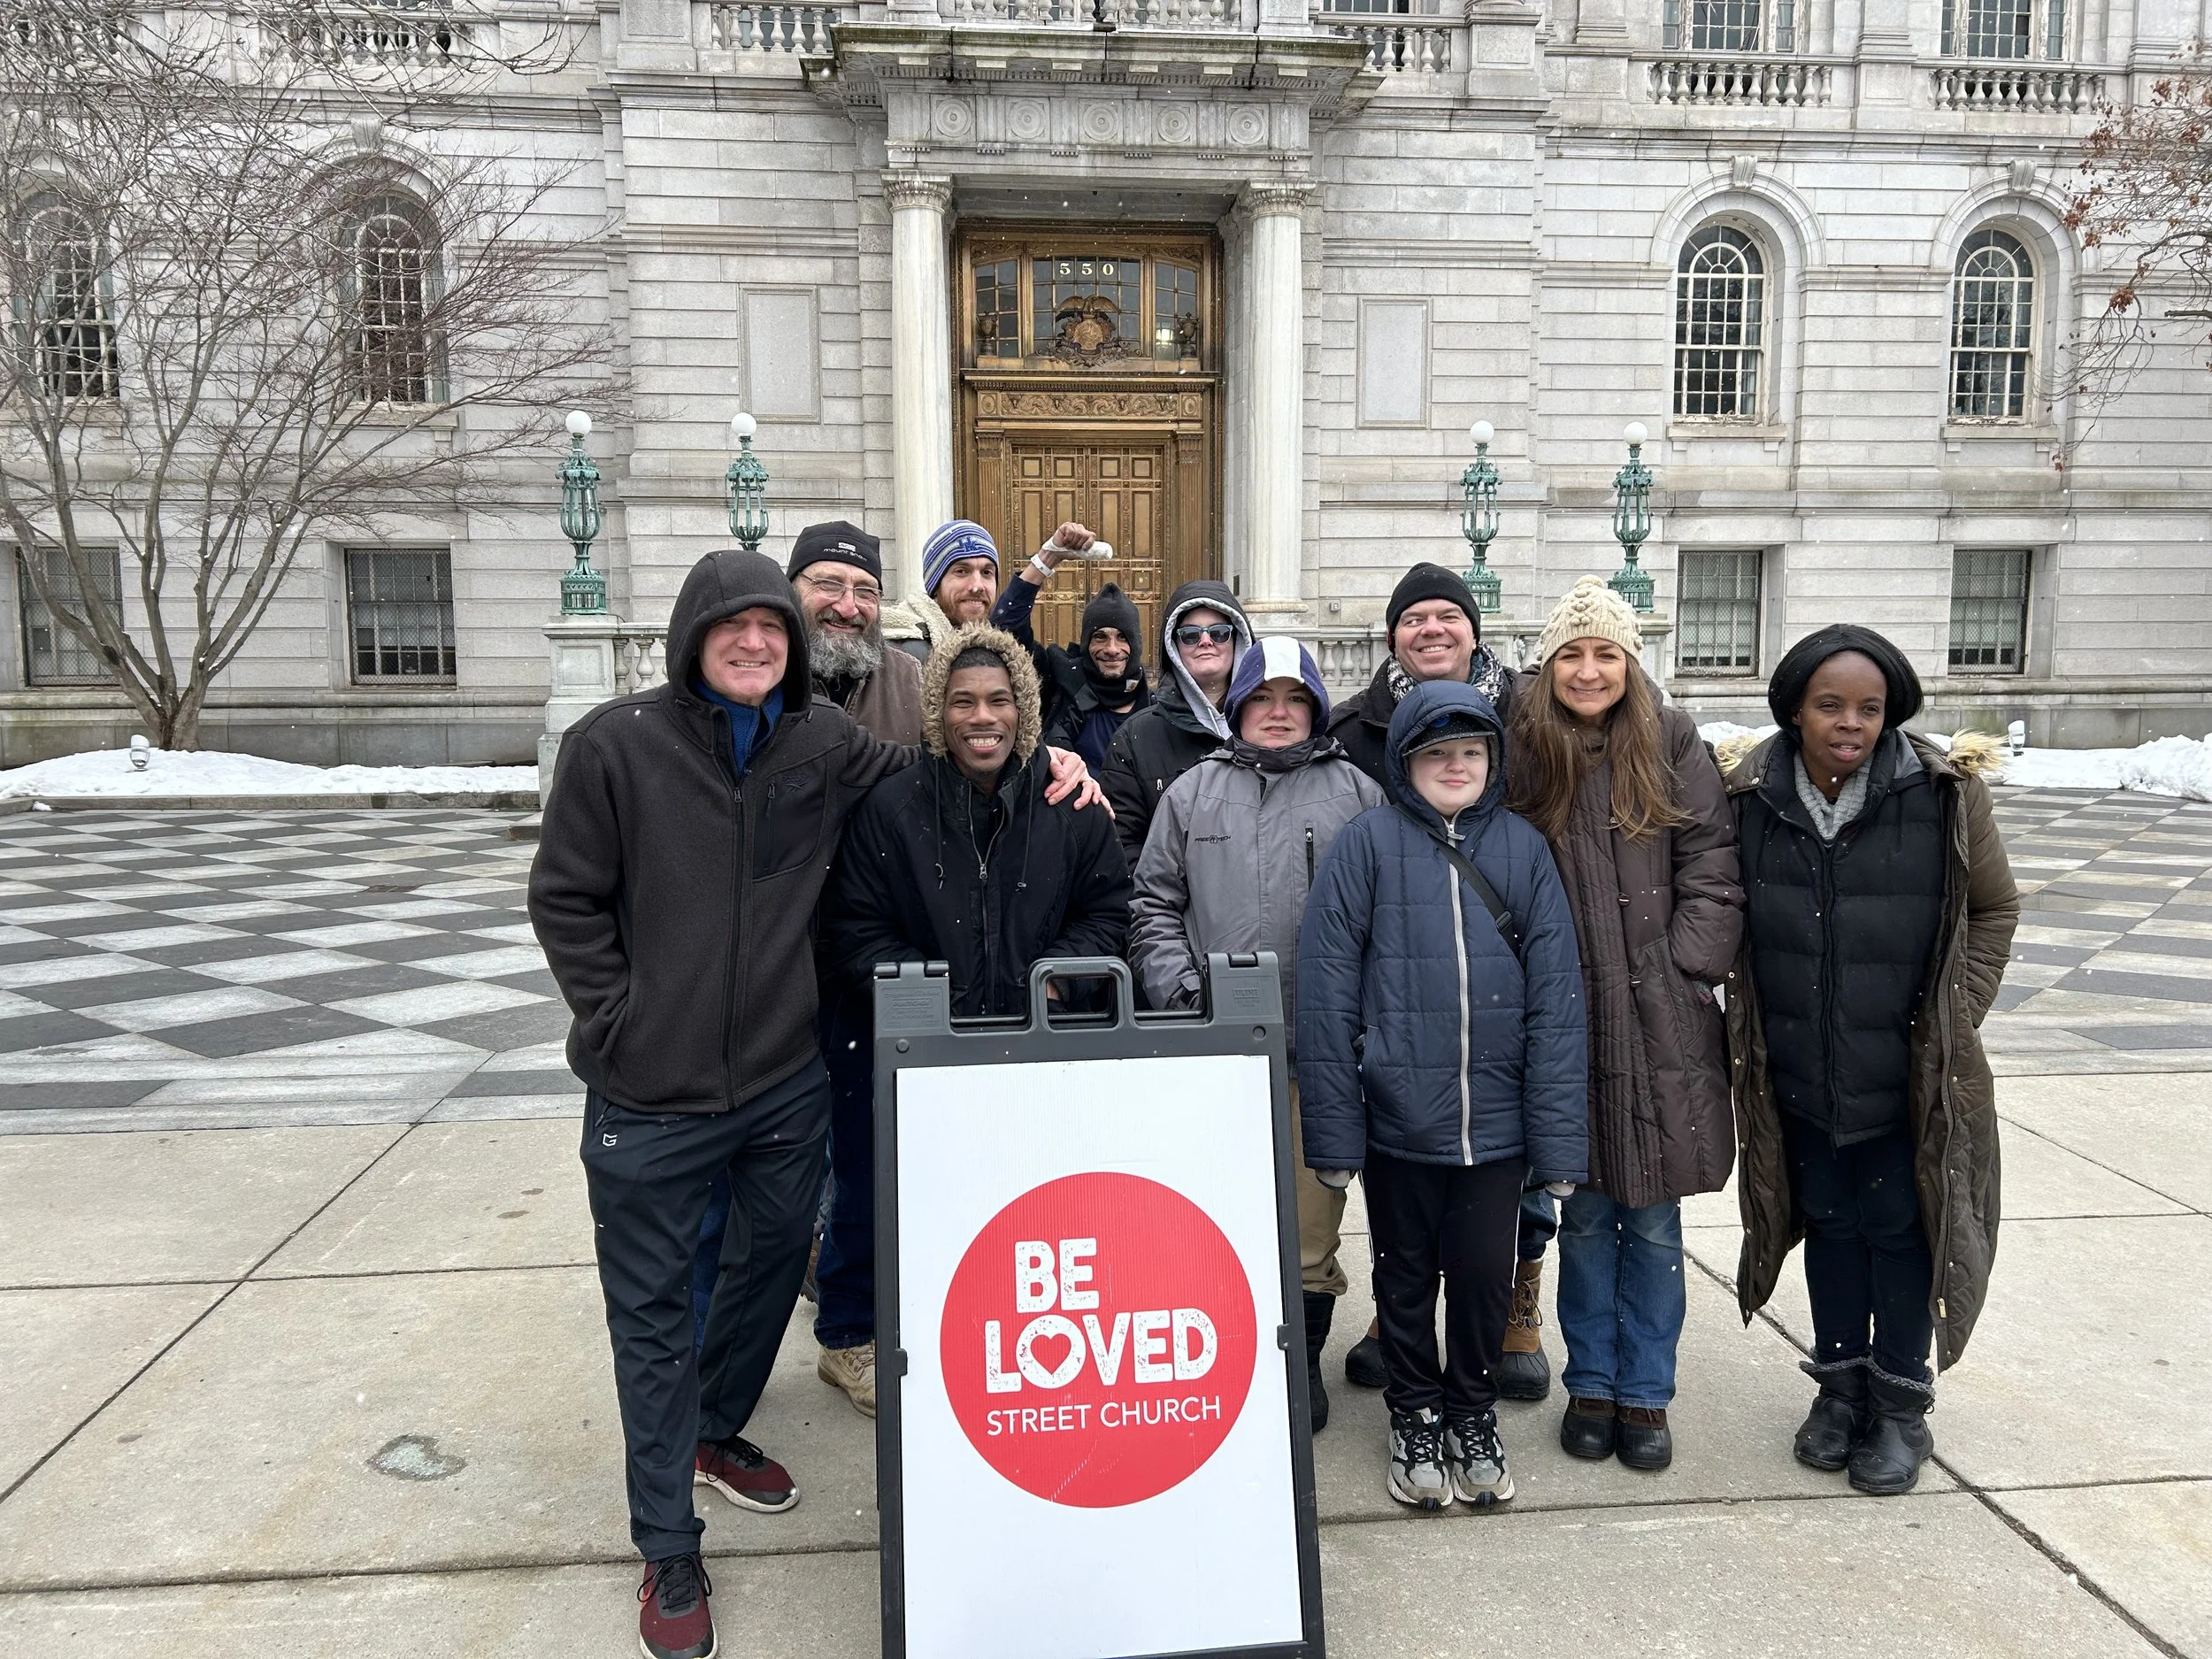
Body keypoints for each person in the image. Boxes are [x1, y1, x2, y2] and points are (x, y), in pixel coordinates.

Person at [531, 550, 1101, 1659]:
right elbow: (564, 899)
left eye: (771, 634)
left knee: (766, 1268)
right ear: (695, 636)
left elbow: (948, 749)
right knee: (651, 1318)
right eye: (735, 629)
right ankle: (667, 1544)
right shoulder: (618, 746)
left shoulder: (822, 743)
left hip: (783, 1085)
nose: (755, 646)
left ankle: (713, 1429)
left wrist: (1049, 757)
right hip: (650, 1092)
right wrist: (616, 1024)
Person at [1723, 625, 2017, 1496]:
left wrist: (1953, 1019)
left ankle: (1899, 1405)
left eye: (1867, 708)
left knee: (1898, 1232)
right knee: (1831, 1229)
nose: (1848, 723)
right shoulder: (1750, 797)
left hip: (1904, 1080)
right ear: (1795, 710)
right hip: (1798, 1075)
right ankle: (1839, 1388)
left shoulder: (1940, 794)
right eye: (1829, 706)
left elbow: (1993, 912)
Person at [1298, 680, 1588, 1512]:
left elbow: (1556, 999)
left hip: (1496, 1131)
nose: (1454, 766)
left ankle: (1471, 1407)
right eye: (1436, 753)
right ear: (1406, 761)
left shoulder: (1524, 850)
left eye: (1469, 752)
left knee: (1485, 1278)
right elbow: (1327, 992)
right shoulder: (1369, 847)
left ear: (1491, 760)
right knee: (1406, 1278)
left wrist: (1559, 1143)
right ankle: (1415, 1410)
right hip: (1400, 1121)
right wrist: (1336, 1135)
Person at [1506, 575, 1744, 1473]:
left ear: (1629, 661)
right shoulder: (1526, 742)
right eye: (1571, 652)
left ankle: (1646, 1391)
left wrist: (1686, 966)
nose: (1589, 668)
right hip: (1566, 1013)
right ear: (1551, 664)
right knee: (1584, 1209)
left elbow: (1712, 863)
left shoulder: (1670, 737)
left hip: (1658, 1016)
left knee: (1650, 1219)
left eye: (1605, 651)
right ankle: (1591, 1383)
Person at [1127, 635, 1384, 1432]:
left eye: (1293, 699)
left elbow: (1389, 915)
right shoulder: (1193, 793)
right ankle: (1228, 1349)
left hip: (1323, 1053)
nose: (1277, 713)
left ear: (1313, 708)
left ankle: (1300, 1361)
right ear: (1236, 706)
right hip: (1218, 1051)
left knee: (1309, 1228)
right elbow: (1153, 904)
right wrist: (1184, 990)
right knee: (1216, 1215)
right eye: (1261, 698)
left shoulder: (1358, 793)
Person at [1328, 562, 1548, 1402]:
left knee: (1505, 1173)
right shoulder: (1357, 726)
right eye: (1413, 617)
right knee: (1411, 1218)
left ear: (1473, 629)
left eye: (1447, 615)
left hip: (1503, 954)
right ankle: (1403, 1324)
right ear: (1392, 636)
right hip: (1408, 983)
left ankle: (1513, 1301)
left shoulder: (1527, 717)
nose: (1431, 629)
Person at [823, 622, 1133, 1022]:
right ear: (939, 711)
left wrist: (1053, 983)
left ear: (1022, 709)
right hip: (928, 1046)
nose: (982, 718)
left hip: (1050, 1041)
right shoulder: (890, 810)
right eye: (963, 702)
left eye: (999, 700)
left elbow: (1109, 914)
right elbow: (857, 927)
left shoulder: (1074, 807)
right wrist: (927, 997)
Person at [787, 519, 920, 1420]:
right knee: (760, 1167)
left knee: (874, 1158)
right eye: (828, 584)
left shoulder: (911, 681)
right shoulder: (754, 677)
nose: (847, 603)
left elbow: (982, 751)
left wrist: (1053, 758)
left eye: (865, 589)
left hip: (872, 963)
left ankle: (847, 1335)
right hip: (766, 966)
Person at [1099, 579, 1253, 868]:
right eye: (1191, 635)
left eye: (1219, 633)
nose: (1206, 641)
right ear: (1175, 646)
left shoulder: (1269, 727)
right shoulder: (1135, 738)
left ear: (1238, 640)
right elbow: (1123, 847)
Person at [988, 520, 1150, 770]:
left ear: (1136, 644)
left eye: (1122, 637)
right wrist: (1047, 557)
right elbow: (1003, 630)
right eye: (1100, 637)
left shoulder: (1157, 708)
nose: (1112, 649)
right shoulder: (1059, 683)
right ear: (1086, 642)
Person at [884, 518, 1001, 664]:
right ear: (935, 585)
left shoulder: (998, 651)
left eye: (986, 573)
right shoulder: (905, 656)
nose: (977, 586)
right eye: (962, 571)